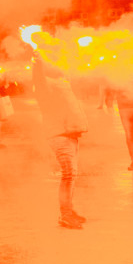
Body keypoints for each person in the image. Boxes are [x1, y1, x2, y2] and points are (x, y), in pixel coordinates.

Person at [34, 60, 88, 230]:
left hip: (70, 133)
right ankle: (65, 215)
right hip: (59, 134)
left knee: (72, 175)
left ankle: (69, 210)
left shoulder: (62, 84)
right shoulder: (45, 86)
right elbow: (38, 79)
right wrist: (37, 62)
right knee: (68, 174)